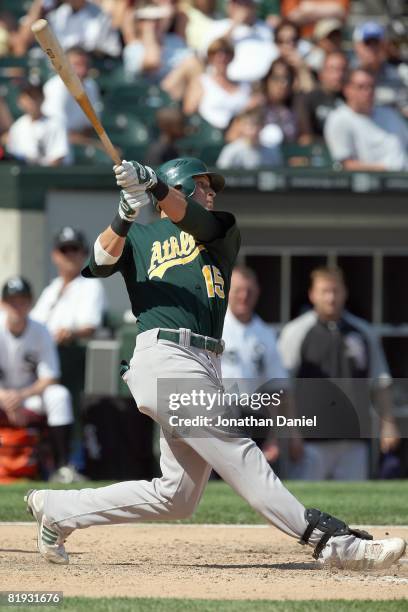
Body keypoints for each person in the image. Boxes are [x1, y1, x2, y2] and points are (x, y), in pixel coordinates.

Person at [25, 157, 404, 570]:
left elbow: (197, 221)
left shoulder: (219, 232)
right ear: (182, 186)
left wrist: (152, 187)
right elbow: (97, 262)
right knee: (236, 448)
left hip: (205, 361)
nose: (212, 193)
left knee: (177, 496)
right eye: (203, 186)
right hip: (165, 355)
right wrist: (124, 213)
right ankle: (331, 544)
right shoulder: (141, 236)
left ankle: (58, 509)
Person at [278, 266, 400, 481]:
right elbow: (283, 386)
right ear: (312, 295)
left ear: (345, 293)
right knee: (305, 505)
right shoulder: (295, 332)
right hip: (310, 441)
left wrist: (388, 423)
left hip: (354, 441)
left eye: (336, 291)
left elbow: (380, 382)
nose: (331, 297)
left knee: (355, 506)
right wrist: (292, 431)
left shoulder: (363, 332)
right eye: (324, 291)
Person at [222, 265, 303, 465]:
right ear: (226, 292)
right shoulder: (214, 328)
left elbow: (277, 390)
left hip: (252, 420)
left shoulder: (265, 334)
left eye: (249, 291)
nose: (244, 296)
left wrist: (275, 436)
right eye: (238, 290)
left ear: (257, 293)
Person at [0, 277, 76, 481]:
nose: (17, 305)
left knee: (59, 396)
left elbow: (50, 377)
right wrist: (6, 398)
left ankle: (62, 467)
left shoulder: (40, 330)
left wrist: (19, 396)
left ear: (30, 302)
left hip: (29, 395)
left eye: (22, 300)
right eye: (11, 300)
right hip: (2, 395)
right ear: (2, 303)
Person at [31, 227, 106, 345]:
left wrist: (70, 334)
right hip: (43, 350)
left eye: (75, 249)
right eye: (64, 250)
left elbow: (89, 327)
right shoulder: (52, 288)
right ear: (55, 255)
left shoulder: (91, 285)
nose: (70, 254)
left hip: (72, 353)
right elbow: (34, 322)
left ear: (84, 253)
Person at [324, 68, 408, 171]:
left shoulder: (389, 114)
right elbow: (347, 165)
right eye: (361, 87)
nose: (368, 92)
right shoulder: (339, 119)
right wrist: (387, 169)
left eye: (371, 87)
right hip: (377, 182)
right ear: (347, 90)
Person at [183, 37, 251, 130]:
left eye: (227, 53)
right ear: (210, 57)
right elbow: (189, 111)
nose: (222, 57)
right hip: (208, 132)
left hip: (235, 133)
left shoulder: (243, 85)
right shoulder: (202, 81)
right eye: (215, 53)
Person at [203, 0, 278, 82]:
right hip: (228, 83)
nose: (243, 8)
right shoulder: (217, 27)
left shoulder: (267, 29)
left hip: (261, 84)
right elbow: (210, 53)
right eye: (238, 3)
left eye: (247, 4)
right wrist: (235, 24)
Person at [42, 46, 102, 144]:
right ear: (65, 65)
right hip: (55, 144)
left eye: (85, 65)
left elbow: (92, 127)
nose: (82, 70)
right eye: (77, 65)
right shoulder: (54, 87)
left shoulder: (91, 85)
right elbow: (57, 131)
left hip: (82, 141)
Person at [122, 4, 192, 82]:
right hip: (146, 92)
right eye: (148, 20)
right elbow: (152, 63)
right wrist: (149, 34)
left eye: (158, 19)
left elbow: (194, 64)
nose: (154, 24)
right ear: (139, 23)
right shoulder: (133, 48)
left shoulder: (175, 41)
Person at [352, 21, 408, 117]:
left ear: (384, 46)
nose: (373, 48)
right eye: (368, 43)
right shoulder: (346, 73)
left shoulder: (400, 74)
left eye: (377, 43)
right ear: (357, 46)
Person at [6, 84, 70, 167]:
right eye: (28, 97)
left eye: (36, 97)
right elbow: (12, 158)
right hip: (24, 175)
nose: (32, 101)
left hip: (52, 175)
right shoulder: (17, 127)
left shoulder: (55, 123)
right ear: (20, 101)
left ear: (43, 98)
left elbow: (59, 157)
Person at [298, 51, 347, 142]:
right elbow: (306, 138)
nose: (339, 75)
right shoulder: (308, 100)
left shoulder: (350, 99)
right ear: (321, 73)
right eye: (333, 70)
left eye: (343, 70)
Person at [216, 108, 281, 169]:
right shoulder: (231, 151)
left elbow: (277, 177)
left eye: (257, 124)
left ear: (262, 126)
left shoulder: (272, 153)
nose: (254, 129)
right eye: (249, 125)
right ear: (242, 127)